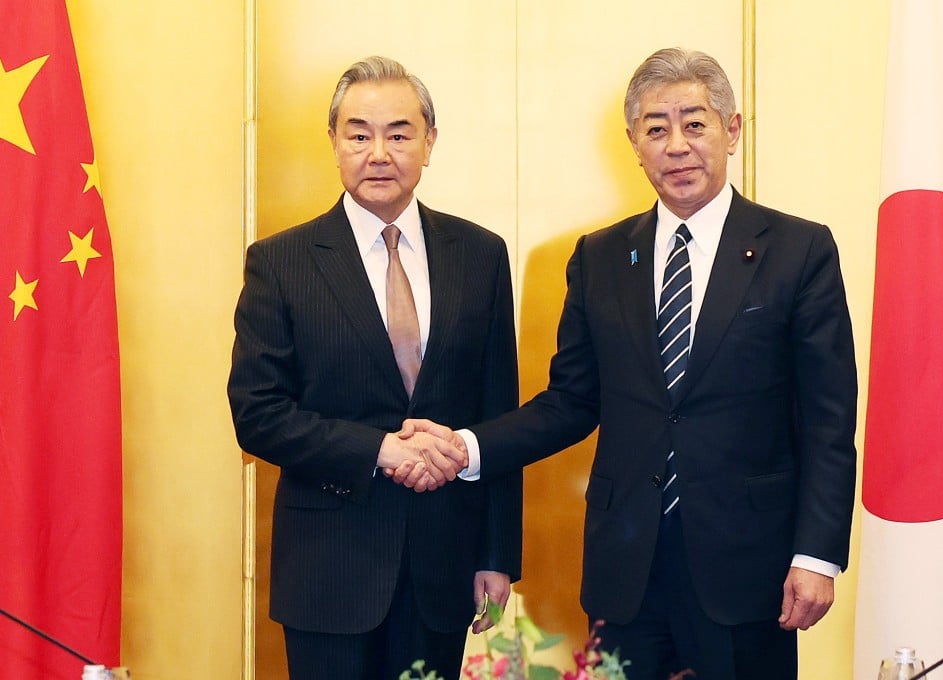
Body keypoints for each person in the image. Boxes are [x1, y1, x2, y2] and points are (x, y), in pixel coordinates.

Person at [398, 47, 857, 679]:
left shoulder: (799, 250)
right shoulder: (601, 258)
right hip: (626, 573)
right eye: (655, 127)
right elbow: (570, 402)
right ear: (634, 144)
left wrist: (818, 555)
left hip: (749, 571)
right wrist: (466, 446)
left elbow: (829, 420)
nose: (677, 145)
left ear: (733, 130)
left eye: (694, 123)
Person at [227, 56, 522, 680]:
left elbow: (499, 412)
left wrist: (496, 554)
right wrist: (382, 450)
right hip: (328, 570)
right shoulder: (281, 262)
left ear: (429, 142)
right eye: (359, 134)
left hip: (442, 564)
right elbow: (258, 416)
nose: (379, 153)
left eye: (399, 133)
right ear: (334, 142)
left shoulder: (480, 254)